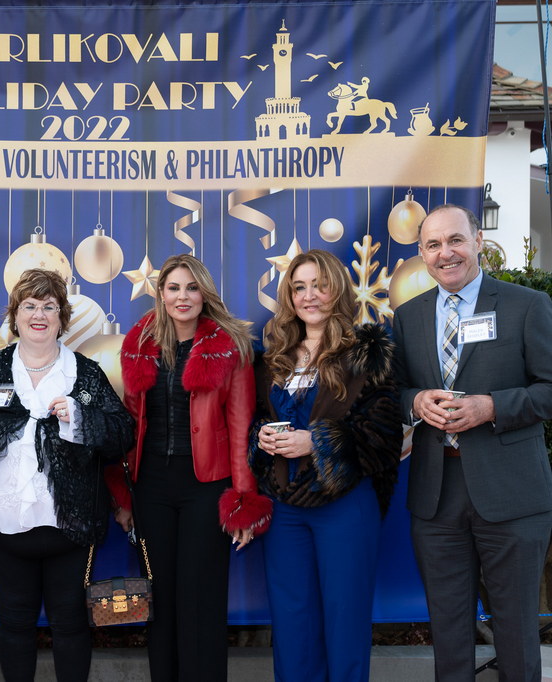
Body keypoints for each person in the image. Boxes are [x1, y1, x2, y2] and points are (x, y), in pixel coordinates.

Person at [393, 204, 552, 681]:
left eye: (455, 240)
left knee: (516, 627)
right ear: (422, 254)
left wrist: (492, 407)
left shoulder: (527, 305)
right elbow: (393, 391)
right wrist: (415, 400)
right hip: (436, 493)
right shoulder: (408, 316)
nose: (446, 253)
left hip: (511, 493)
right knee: (447, 626)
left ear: (478, 241)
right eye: (434, 245)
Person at [107, 254, 272, 681]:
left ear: (204, 294)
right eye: (174, 288)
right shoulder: (139, 342)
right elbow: (130, 421)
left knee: (202, 600)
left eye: (192, 287)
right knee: (157, 598)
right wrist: (123, 497)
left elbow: (241, 427)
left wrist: (243, 501)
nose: (183, 296)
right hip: (151, 488)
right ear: (161, 294)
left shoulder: (230, 346)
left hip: (207, 487)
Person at [0, 268, 134, 682]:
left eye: (49, 306)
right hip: (5, 523)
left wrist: (80, 418)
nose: (39, 315)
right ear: (15, 315)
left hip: (69, 525)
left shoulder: (86, 373)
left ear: (62, 317)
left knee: (71, 623)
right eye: (29, 306)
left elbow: (122, 434)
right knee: (14, 624)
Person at [249, 249, 402, 681]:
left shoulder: (366, 354)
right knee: (292, 625)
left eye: (319, 285)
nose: (309, 296)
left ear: (337, 289)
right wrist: (260, 437)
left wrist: (315, 442)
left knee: (345, 621)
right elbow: (254, 418)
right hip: (284, 508)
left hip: (344, 505)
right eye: (299, 287)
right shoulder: (273, 357)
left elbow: (384, 437)